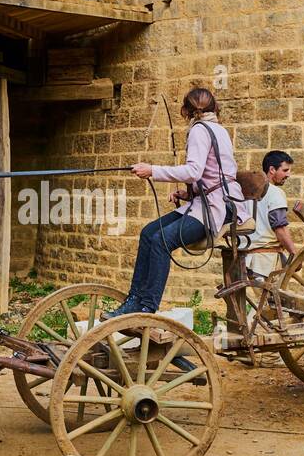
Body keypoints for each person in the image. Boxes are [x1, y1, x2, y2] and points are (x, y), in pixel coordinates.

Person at [107, 87, 250, 317]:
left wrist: (151, 170)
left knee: (161, 240)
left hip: (217, 207)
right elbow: (214, 173)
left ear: (186, 110)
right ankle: (134, 299)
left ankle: (147, 306)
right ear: (214, 107)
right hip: (207, 201)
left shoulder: (199, 130)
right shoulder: (219, 129)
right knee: (148, 233)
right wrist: (189, 194)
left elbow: (194, 171)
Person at [245, 150, 296, 280]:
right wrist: (294, 253)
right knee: (270, 299)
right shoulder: (275, 193)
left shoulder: (246, 192)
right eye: (285, 170)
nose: (288, 175)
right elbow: (280, 228)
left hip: (246, 258)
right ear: (272, 169)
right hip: (266, 260)